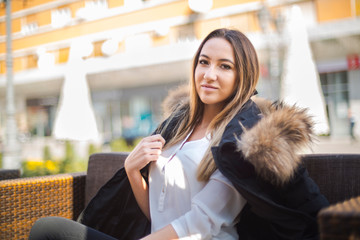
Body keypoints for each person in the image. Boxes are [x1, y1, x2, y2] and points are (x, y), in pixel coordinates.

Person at [29, 28, 329, 240]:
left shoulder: (241, 139)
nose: (209, 74)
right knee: (49, 229)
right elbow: (159, 214)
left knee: (50, 231)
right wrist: (133, 171)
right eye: (204, 62)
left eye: (225, 66)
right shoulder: (177, 127)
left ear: (242, 77)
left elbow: (202, 224)